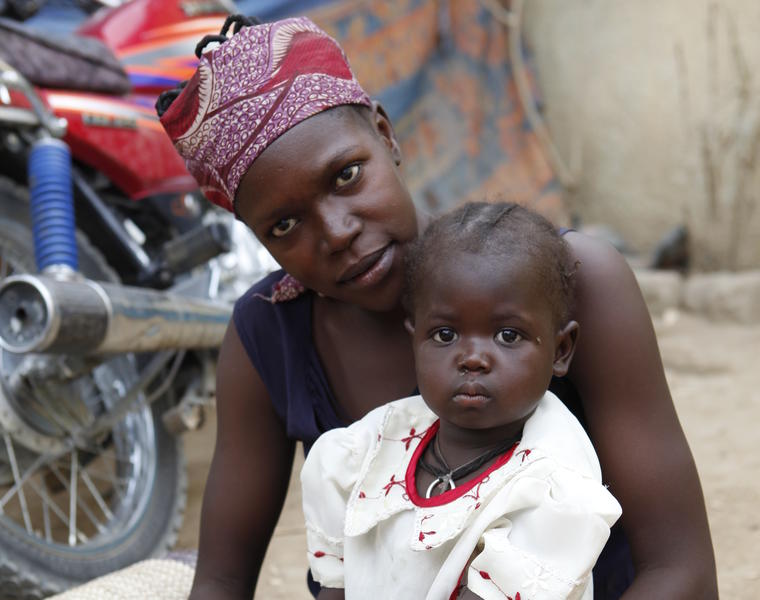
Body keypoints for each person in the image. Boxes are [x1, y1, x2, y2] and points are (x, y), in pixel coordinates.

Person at [156, 14, 717, 600]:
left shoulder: (573, 280)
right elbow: (221, 581)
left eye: (347, 176)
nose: (338, 231)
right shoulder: (267, 335)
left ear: (386, 134)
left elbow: (681, 572)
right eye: (285, 224)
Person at [301, 201, 622, 600]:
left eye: (508, 335)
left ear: (560, 350)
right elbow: (336, 586)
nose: (472, 358)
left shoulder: (554, 480)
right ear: (414, 341)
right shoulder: (370, 446)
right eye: (445, 335)